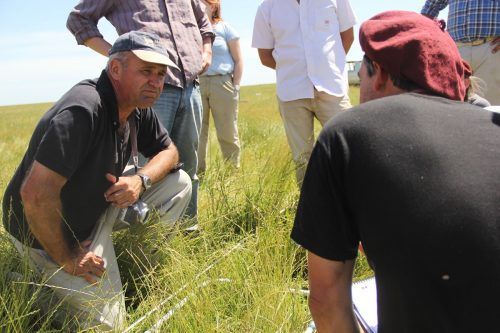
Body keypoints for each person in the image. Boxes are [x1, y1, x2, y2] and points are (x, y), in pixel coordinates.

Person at [291, 11, 500, 332]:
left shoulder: (346, 134)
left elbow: (325, 297)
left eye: (361, 76)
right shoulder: (492, 124)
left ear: (381, 74)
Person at [2, 31, 192, 330]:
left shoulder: (136, 107)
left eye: (160, 74)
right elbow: (35, 196)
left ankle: (138, 267)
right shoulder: (83, 109)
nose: (156, 82)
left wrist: (140, 180)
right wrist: (68, 258)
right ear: (115, 69)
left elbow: (169, 151)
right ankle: (26, 285)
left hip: (97, 209)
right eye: (146, 71)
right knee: (108, 327)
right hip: (49, 230)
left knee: (178, 183)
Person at [67, 0, 215, 222]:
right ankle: (142, 233)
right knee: (146, 168)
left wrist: (207, 50)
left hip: (190, 85)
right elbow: (78, 19)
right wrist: (121, 57)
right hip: (148, 91)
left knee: (188, 164)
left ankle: (188, 229)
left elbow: (204, 22)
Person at [251, 0, 356, 183]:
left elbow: (347, 36)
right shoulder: (267, 7)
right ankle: (312, 209)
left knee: (349, 148)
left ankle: (353, 204)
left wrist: (326, 67)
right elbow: (265, 55)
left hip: (332, 88)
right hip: (292, 92)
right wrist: (294, 69)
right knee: (303, 160)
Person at [421, 0, 500, 104]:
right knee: (453, 104)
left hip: (493, 49)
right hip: (455, 50)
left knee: (492, 108)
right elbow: (430, 7)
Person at [197, 0, 243, 173]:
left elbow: (239, 60)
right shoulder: (192, 29)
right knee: (198, 134)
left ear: (213, 6)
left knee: (227, 133)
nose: (200, 5)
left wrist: (235, 86)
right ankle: (198, 174)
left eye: (204, 2)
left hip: (222, 83)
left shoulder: (225, 28)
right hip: (198, 83)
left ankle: (233, 174)